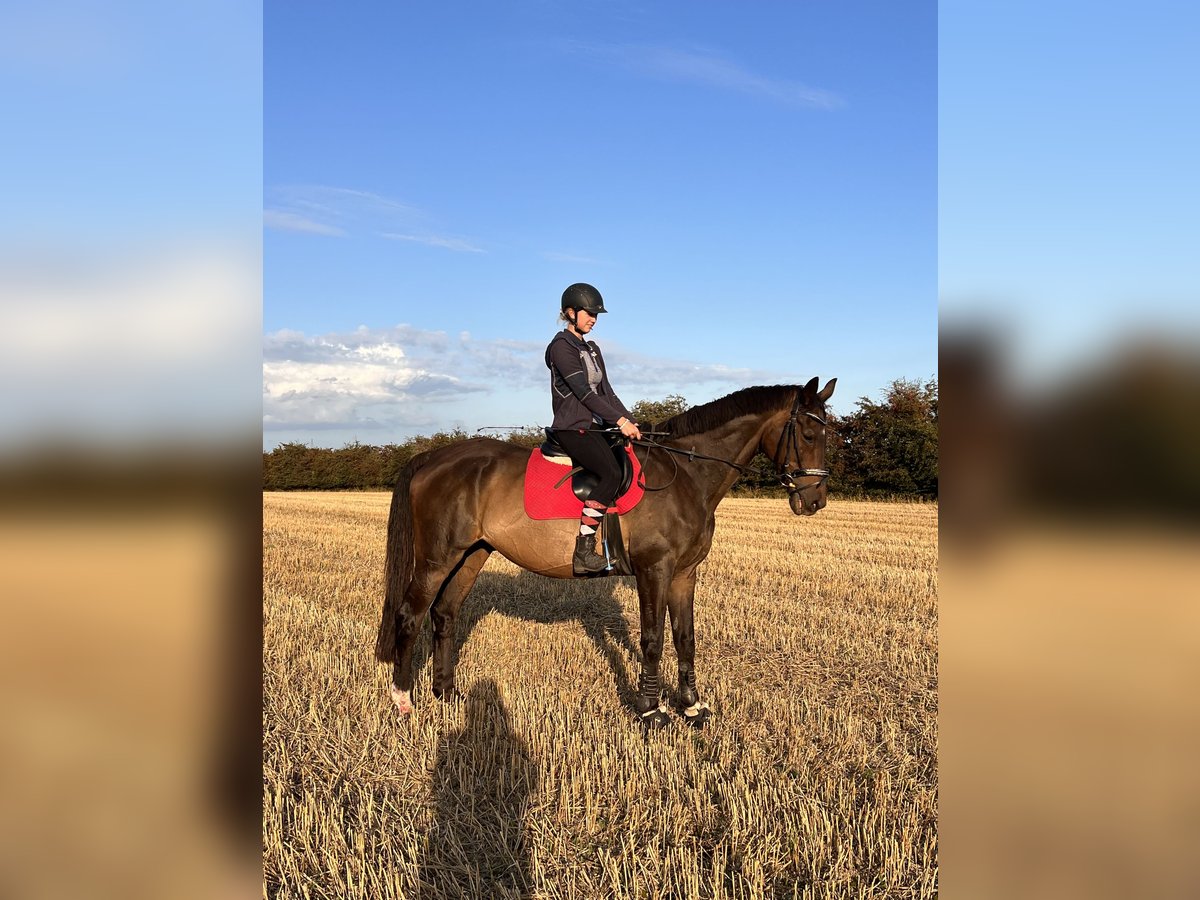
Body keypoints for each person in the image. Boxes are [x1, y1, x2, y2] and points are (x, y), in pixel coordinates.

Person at [545, 283, 643, 574]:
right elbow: (583, 394)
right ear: (570, 313)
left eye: (597, 315)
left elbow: (607, 393)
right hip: (572, 428)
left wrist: (630, 419)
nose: (594, 319)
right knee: (611, 472)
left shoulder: (592, 348)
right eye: (589, 313)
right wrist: (619, 422)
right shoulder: (560, 347)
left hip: (596, 427)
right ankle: (584, 551)